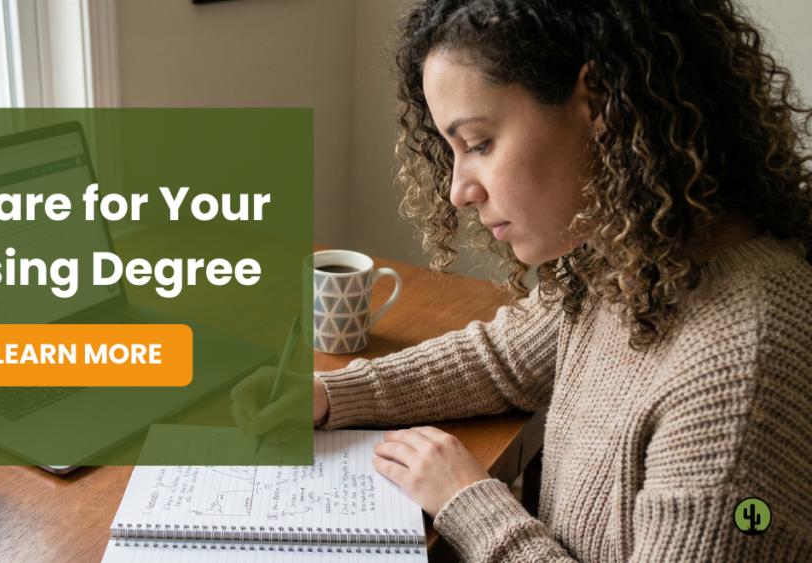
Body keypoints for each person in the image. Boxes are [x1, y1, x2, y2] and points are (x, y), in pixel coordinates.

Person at [231, 0, 812, 560]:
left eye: (479, 143)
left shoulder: (742, 367)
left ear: (601, 99)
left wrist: (472, 505)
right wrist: (331, 394)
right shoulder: (624, 261)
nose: (460, 191)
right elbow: (501, 360)